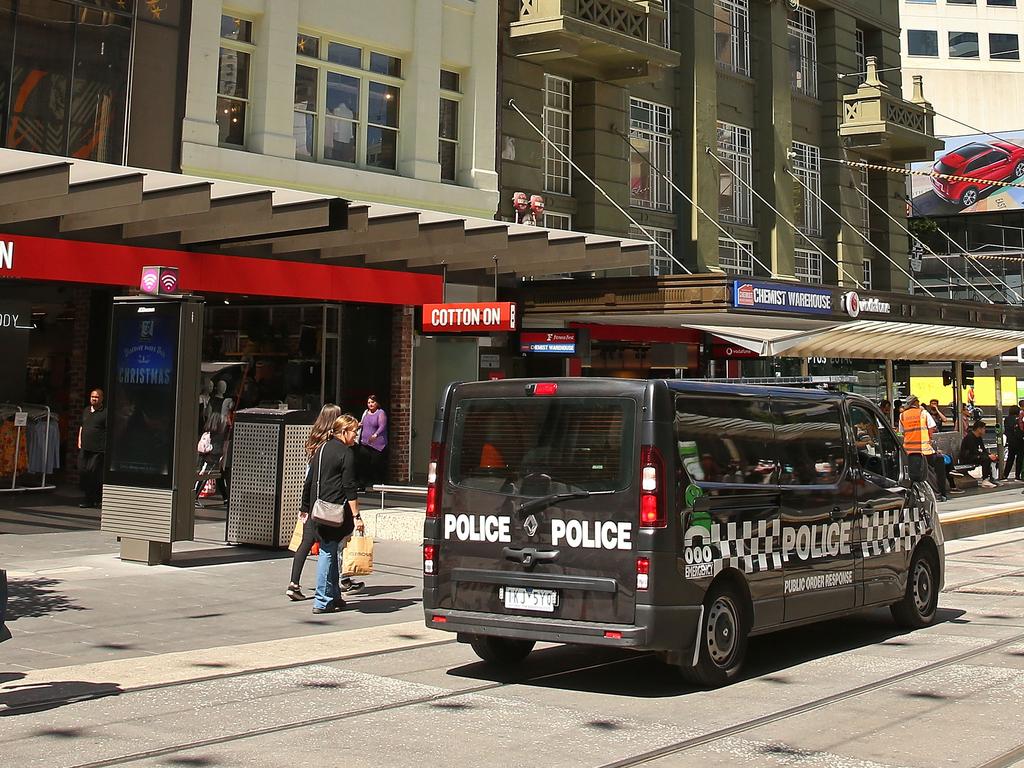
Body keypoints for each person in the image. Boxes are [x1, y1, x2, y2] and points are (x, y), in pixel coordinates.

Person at [288, 404, 361, 601]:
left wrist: (304, 506)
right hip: (331, 502)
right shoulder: (342, 451)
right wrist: (356, 515)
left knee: (309, 541)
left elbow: (309, 480)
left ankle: (300, 584)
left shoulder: (318, 443)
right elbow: (348, 485)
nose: (356, 434)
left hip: (315, 500)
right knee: (330, 549)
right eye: (354, 431)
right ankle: (325, 595)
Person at [900, 394, 950, 501]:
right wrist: (929, 438)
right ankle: (936, 495)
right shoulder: (923, 413)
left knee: (913, 473)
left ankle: (914, 496)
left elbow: (902, 432)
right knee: (930, 472)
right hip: (924, 449)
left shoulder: (902, 416)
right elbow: (931, 427)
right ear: (916, 403)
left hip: (909, 451)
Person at [77, 388, 106, 508]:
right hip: (85, 447)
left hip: (97, 449)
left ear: (101, 398)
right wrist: (79, 439)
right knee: (82, 470)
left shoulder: (105, 412)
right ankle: (92, 497)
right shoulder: (86, 410)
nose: (94, 399)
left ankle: (91, 499)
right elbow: (82, 426)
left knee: (92, 473)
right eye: (92, 397)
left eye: (96, 397)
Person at [358, 394, 388, 488]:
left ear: (377, 403)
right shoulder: (365, 413)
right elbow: (362, 423)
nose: (370, 404)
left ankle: (378, 484)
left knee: (376, 464)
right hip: (365, 442)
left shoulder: (380, 413)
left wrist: (376, 434)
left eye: (372, 402)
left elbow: (382, 426)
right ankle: (363, 483)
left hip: (377, 444)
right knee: (364, 463)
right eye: (369, 402)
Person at [960, 421, 998, 488]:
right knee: (986, 459)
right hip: (969, 457)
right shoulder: (969, 437)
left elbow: (983, 449)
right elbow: (973, 451)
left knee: (994, 458)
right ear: (978, 429)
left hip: (977, 455)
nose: (984, 430)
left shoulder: (979, 437)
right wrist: (988, 456)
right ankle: (985, 479)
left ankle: (992, 478)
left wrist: (990, 455)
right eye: (983, 428)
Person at [1004, 404, 1023, 481]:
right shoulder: (1018, 419)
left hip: (1011, 441)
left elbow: (1007, 430)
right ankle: (1017, 475)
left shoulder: (1007, 419)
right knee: (1019, 458)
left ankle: (1005, 474)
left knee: (1010, 458)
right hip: (1020, 441)